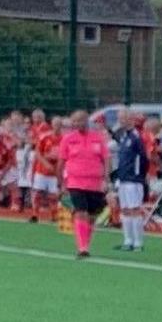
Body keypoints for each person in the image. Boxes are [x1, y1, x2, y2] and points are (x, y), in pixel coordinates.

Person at [59, 109, 110, 259]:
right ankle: (82, 247)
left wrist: (106, 178)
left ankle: (85, 243)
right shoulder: (68, 139)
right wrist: (61, 182)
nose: (76, 124)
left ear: (86, 121)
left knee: (93, 215)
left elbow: (106, 159)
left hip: (95, 183)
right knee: (81, 212)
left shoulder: (98, 138)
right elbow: (61, 162)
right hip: (75, 182)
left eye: (79, 120)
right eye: (74, 121)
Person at [114, 113, 152, 252]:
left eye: (122, 118)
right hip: (123, 179)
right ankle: (127, 240)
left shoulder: (136, 137)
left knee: (134, 209)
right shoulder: (125, 136)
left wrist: (139, 175)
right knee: (125, 210)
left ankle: (138, 242)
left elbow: (143, 158)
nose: (120, 121)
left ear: (130, 120)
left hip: (133, 180)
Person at [29, 114, 62, 224]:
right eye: (55, 124)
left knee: (53, 195)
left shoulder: (64, 139)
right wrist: (45, 163)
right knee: (38, 192)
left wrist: (59, 167)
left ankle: (53, 215)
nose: (57, 126)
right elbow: (38, 153)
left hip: (55, 172)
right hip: (42, 170)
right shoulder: (44, 137)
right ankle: (35, 215)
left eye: (59, 125)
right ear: (52, 125)